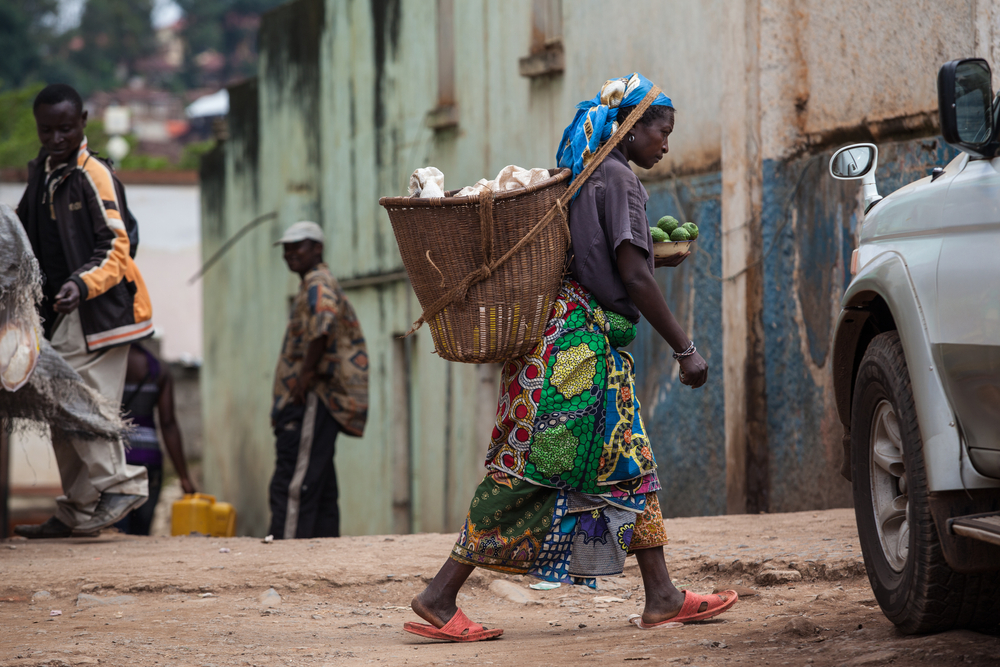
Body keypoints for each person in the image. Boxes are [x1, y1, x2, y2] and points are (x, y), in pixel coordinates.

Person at [405, 73, 737, 642]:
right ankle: (439, 596)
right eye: (662, 132)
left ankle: (661, 596)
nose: (666, 145)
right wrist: (685, 348)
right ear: (631, 130)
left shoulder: (585, 174)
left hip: (565, 342)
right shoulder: (621, 181)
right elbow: (632, 274)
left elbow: (604, 257)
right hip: (577, 357)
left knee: (629, 463)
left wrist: (648, 258)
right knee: (530, 470)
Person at [14, 83, 151, 539]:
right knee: (58, 404)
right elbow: (21, 240)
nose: (56, 138)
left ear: (84, 122)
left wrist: (80, 283)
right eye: (47, 130)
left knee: (75, 398)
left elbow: (117, 243)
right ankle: (77, 508)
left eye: (66, 129)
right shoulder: (42, 175)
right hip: (62, 315)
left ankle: (121, 483)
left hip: (102, 313)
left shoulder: (94, 173)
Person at [268, 221, 369, 539]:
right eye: (286, 248)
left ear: (317, 248)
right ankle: (322, 554)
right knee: (320, 481)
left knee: (294, 482)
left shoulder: (318, 282)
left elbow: (323, 325)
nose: (289, 254)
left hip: (314, 395)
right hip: (318, 396)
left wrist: (304, 376)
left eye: (297, 246)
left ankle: (286, 553)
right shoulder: (314, 282)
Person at [114, 344, 197, 535]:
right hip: (149, 459)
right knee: (142, 529)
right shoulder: (157, 368)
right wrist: (184, 477)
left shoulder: (106, 365)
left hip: (116, 457)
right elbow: (168, 424)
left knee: (117, 528)